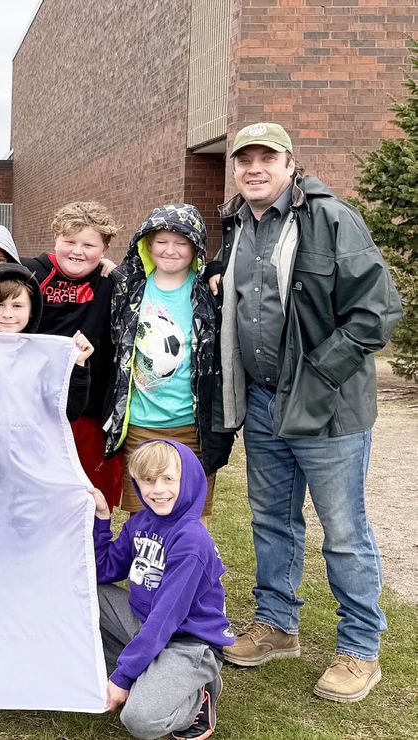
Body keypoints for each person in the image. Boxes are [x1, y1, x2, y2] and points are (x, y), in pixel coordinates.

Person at [207, 122, 401, 702]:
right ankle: (277, 625)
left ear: (291, 164)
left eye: (267, 158)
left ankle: (360, 648)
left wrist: (319, 375)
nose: (253, 169)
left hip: (327, 408)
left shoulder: (331, 219)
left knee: (343, 532)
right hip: (264, 404)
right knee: (272, 521)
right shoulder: (237, 225)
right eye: (244, 160)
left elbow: (378, 310)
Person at [89, 440, 233, 740]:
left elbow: (166, 618)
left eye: (168, 479)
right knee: (85, 595)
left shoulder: (191, 541)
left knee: (140, 720)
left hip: (187, 640)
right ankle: (148, 672)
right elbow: (103, 572)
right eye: (148, 480)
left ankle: (197, 699)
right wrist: (102, 518)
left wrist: (123, 678)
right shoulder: (141, 522)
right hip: (145, 623)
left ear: (187, 479)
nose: (158, 489)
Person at [105, 204, 234, 526]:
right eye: (161, 241)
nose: (170, 250)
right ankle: (146, 576)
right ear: (147, 244)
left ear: (196, 248)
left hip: (193, 425)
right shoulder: (126, 287)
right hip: (140, 423)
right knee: (143, 513)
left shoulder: (209, 291)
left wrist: (216, 268)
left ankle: (191, 574)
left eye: (182, 242)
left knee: (193, 516)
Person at [22, 202, 123, 509]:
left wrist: (121, 271)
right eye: (69, 241)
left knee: (90, 500)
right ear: (55, 239)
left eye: (89, 244)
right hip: (36, 408)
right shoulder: (30, 273)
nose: (77, 251)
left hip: (90, 410)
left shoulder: (113, 282)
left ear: (104, 248)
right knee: (38, 497)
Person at [0, 263, 93, 420]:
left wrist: (78, 366)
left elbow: (70, 411)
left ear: (32, 310)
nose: (7, 314)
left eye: (17, 306)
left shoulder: (45, 356)